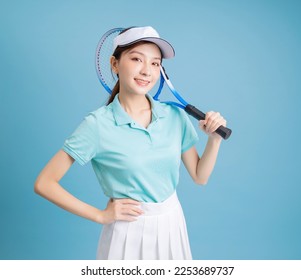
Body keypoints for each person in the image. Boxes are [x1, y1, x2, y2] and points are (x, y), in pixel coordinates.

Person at [34, 26, 227, 260]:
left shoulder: (174, 117)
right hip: (127, 232)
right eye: (137, 59)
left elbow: (200, 176)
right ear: (115, 64)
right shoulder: (97, 125)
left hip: (172, 223)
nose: (147, 71)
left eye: (155, 63)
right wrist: (100, 215)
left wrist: (214, 140)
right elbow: (44, 183)